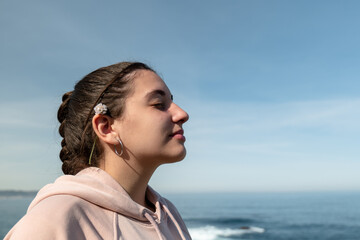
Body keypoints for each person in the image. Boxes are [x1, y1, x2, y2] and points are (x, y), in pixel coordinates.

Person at [5, 62, 191, 240]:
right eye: (158, 104)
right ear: (106, 127)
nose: (182, 114)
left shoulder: (169, 215)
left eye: (172, 101)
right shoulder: (52, 221)